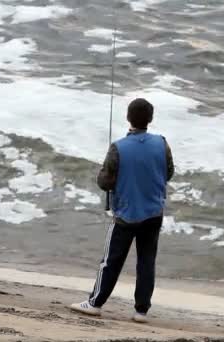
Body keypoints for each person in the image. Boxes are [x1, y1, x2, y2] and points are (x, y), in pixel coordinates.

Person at [70, 98, 174, 323]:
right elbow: (169, 172)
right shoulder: (162, 143)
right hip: (154, 212)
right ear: (150, 119)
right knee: (146, 262)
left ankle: (95, 303)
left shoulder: (118, 147)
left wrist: (103, 172)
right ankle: (141, 311)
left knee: (111, 261)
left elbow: (105, 182)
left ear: (128, 118)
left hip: (126, 214)